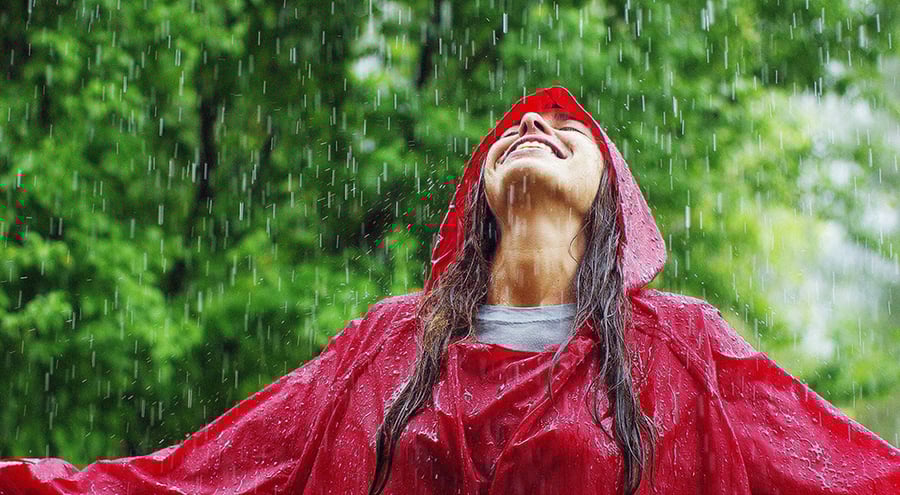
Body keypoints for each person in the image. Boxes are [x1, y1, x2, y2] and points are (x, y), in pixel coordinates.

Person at [1, 86, 898, 494]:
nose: (535, 123)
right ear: (476, 204)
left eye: (566, 128)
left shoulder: (684, 349)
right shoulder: (387, 345)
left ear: (616, 199)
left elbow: (848, 473)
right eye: (513, 127)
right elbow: (205, 476)